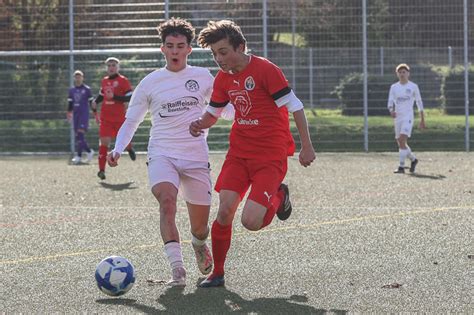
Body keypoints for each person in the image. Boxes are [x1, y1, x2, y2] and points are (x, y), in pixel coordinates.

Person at [106, 18, 234, 287]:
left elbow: (223, 108)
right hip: (161, 153)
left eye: (180, 46)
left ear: (189, 49)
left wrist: (245, 112)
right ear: (162, 49)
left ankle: (199, 244)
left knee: (200, 227)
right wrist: (117, 148)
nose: (175, 51)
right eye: (169, 46)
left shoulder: (202, 77)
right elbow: (131, 120)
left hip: (195, 156)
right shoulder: (150, 82)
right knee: (167, 202)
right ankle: (177, 270)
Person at [189, 20, 316, 287]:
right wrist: (200, 123)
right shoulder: (222, 78)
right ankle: (218, 273)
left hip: (270, 157)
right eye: (214, 54)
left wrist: (306, 146)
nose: (219, 59)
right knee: (224, 213)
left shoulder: (266, 70)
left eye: (223, 52)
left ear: (240, 46)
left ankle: (280, 196)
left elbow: (296, 107)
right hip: (239, 155)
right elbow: (213, 113)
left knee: (251, 222)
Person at [92, 57, 136, 180]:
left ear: (118, 67)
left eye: (113, 65)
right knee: (103, 143)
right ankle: (101, 170)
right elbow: (102, 96)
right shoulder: (104, 81)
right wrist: (95, 101)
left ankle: (129, 148)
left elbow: (129, 97)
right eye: (109, 65)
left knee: (124, 140)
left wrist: (115, 97)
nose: (111, 67)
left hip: (120, 118)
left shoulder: (123, 81)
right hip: (106, 119)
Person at [387, 63, 425, 174]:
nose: (402, 74)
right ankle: (413, 159)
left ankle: (401, 167)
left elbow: (419, 102)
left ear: (408, 73)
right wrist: (391, 110)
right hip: (398, 117)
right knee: (400, 142)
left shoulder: (413, 86)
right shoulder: (394, 87)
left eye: (404, 72)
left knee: (403, 140)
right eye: (400, 72)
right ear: (397, 74)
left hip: (408, 117)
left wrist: (422, 119)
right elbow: (390, 101)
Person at [67, 70, 95, 164]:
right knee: (78, 136)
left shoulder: (87, 89)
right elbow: (70, 103)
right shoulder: (72, 90)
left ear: (82, 78)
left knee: (80, 134)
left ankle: (79, 156)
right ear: (74, 78)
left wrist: (94, 113)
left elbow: (91, 102)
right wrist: (69, 113)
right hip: (76, 115)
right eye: (76, 76)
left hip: (84, 115)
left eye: (79, 76)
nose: (78, 78)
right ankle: (88, 152)